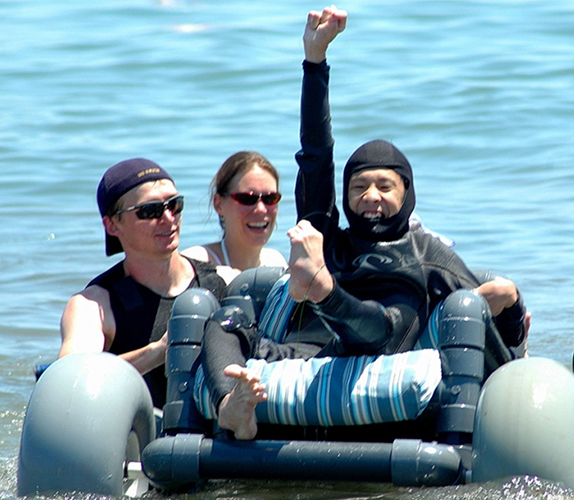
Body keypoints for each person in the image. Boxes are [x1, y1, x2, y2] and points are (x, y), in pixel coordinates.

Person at [200, 5, 528, 440]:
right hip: (303, 355)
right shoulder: (329, 241)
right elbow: (315, 157)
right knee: (226, 318)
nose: (370, 197)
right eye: (358, 187)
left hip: (382, 348)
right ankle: (231, 408)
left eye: (385, 187)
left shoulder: (429, 255)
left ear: (407, 193)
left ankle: (323, 291)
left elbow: (494, 339)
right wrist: (314, 60)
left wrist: (508, 305)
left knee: (381, 322)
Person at [58, 158, 237, 408]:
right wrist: (158, 352)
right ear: (112, 224)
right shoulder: (93, 306)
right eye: (150, 211)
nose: (168, 218)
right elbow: (69, 383)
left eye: (175, 205)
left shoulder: (224, 281)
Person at [182, 151, 287, 270]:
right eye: (247, 198)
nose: (261, 209)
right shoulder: (196, 265)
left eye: (270, 198)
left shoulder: (276, 262)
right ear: (219, 204)